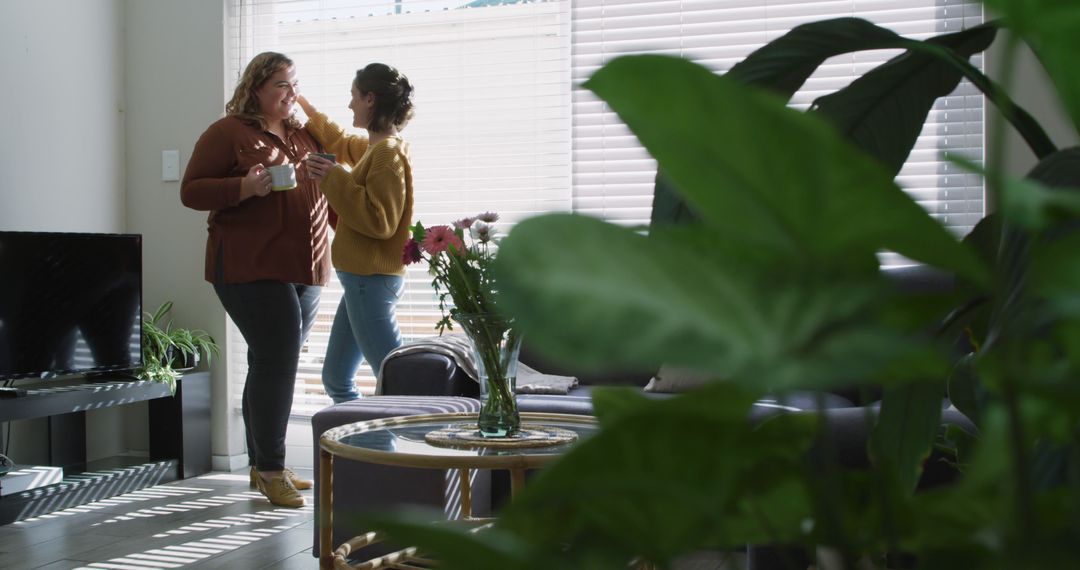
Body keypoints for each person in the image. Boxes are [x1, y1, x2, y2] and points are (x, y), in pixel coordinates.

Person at [180, 51, 329, 508]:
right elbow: (191, 191)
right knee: (277, 362)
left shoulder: (304, 134)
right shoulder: (227, 133)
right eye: (282, 85)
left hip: (307, 266)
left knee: (270, 361)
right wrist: (244, 187)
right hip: (250, 265)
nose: (291, 93)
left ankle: (262, 465)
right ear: (257, 87)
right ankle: (270, 469)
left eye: (295, 83)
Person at [299, 63, 414, 403]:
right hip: (360, 282)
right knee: (336, 378)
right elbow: (336, 140)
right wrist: (303, 106)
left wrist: (332, 178)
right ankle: (365, 454)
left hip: (370, 281)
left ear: (370, 99)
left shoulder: (387, 153)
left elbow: (382, 223)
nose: (349, 105)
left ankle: (425, 453)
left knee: (400, 381)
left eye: (353, 97)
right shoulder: (373, 149)